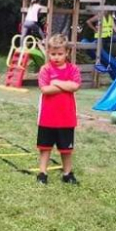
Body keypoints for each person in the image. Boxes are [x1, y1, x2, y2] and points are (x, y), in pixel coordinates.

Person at [36, 34, 81, 185]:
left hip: (66, 119)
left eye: (60, 54)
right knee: (45, 148)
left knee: (66, 150)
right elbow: (45, 89)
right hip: (47, 118)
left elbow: (75, 86)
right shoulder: (45, 69)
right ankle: (42, 173)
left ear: (67, 52)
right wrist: (64, 85)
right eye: (53, 54)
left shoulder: (73, 69)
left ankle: (67, 173)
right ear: (48, 52)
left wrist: (56, 82)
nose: (56, 57)